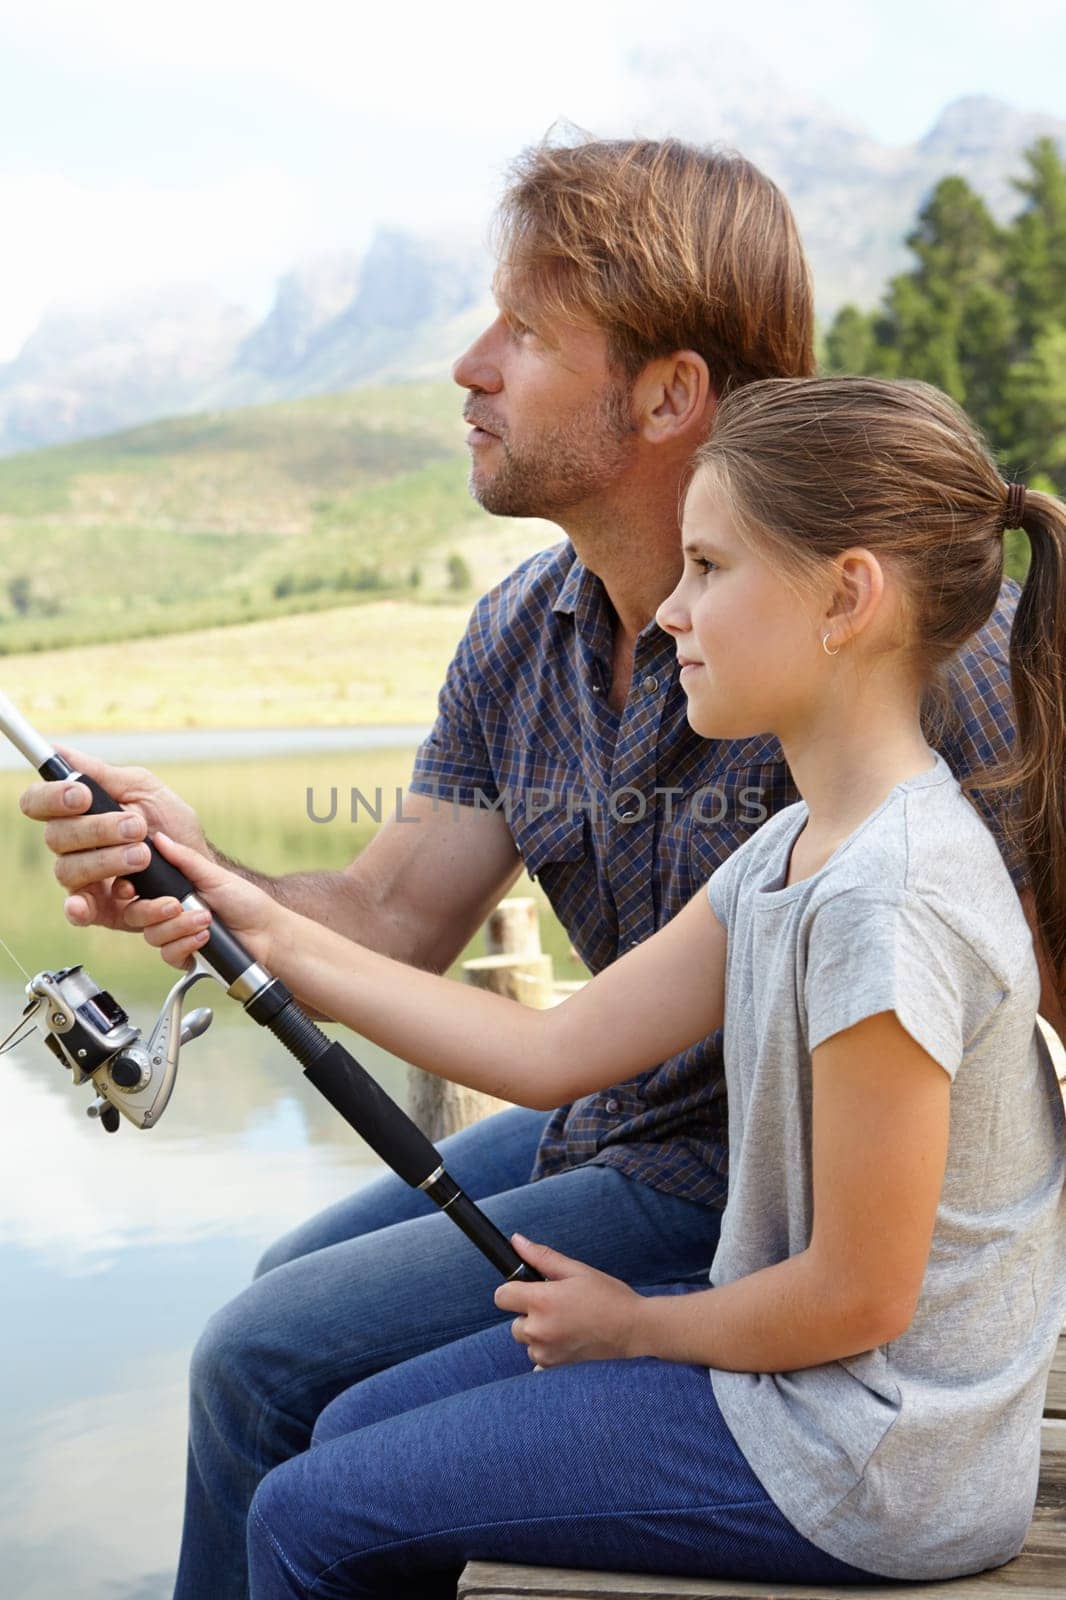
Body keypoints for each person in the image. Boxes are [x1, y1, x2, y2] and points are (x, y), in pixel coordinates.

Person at [16, 141, 1056, 1596]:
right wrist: (201, 869)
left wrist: (658, 1324)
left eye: (521, 329)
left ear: (667, 394)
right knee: (279, 1318)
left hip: (765, 1230)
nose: (465, 365)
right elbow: (419, 941)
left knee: (260, 1367)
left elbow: (1008, 1011)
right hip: (613, 1124)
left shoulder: (932, 667)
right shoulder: (532, 640)